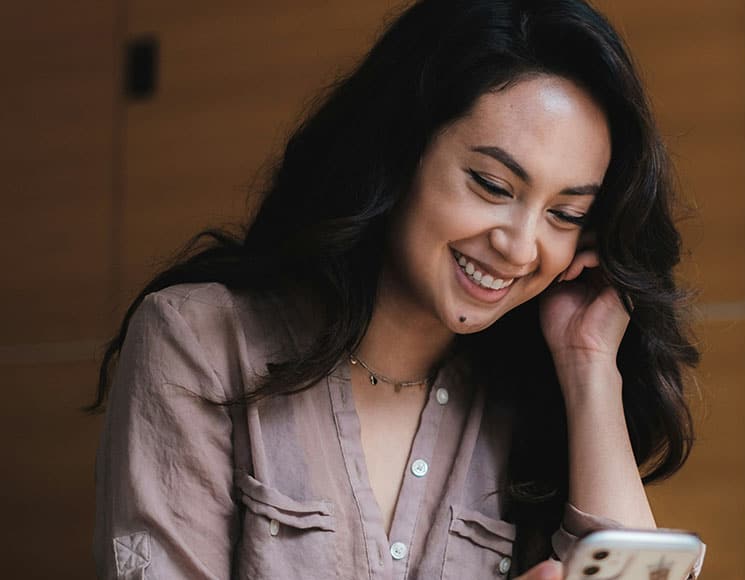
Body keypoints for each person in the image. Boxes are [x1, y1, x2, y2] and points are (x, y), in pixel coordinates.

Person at [88, 0, 701, 578]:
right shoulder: (197, 340)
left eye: (565, 216)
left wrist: (588, 364)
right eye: (491, 184)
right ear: (400, 151)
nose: (520, 246)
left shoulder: (529, 396)